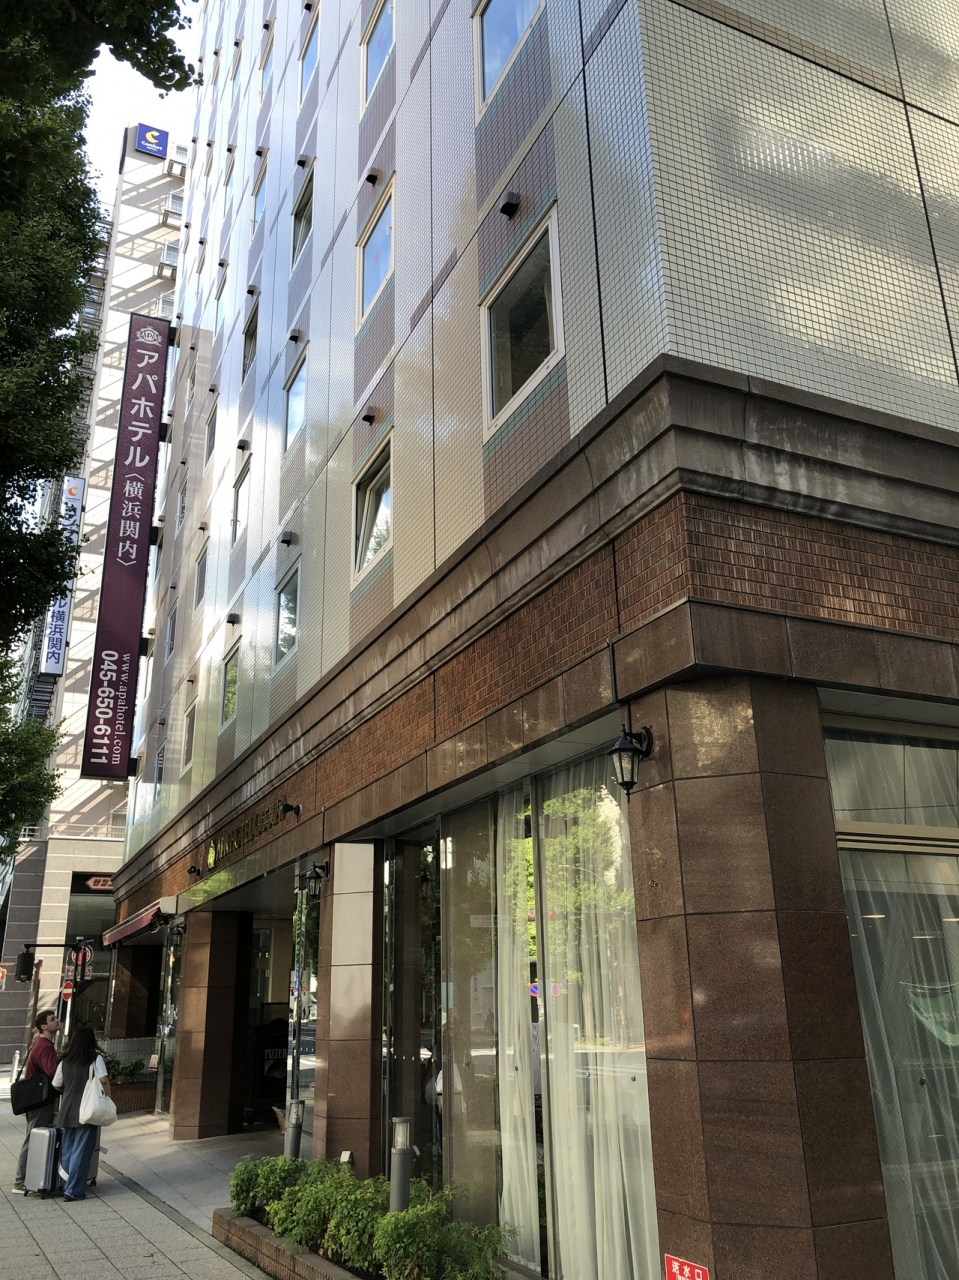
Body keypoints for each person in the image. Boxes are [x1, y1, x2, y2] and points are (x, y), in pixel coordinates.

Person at [52, 1025, 111, 1202]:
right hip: (87, 1111)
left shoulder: (65, 1061)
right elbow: (104, 1080)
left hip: (67, 1110)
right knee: (81, 1150)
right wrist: (108, 1098)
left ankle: (65, 1185)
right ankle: (74, 1190)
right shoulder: (95, 1059)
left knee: (67, 1150)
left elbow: (56, 1084)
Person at [12, 1009, 60, 1193]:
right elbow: (53, 1072)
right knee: (33, 1136)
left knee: (33, 1134)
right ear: (44, 1026)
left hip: (34, 1098)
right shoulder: (45, 1046)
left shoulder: (39, 1043)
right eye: (52, 1019)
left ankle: (26, 1177)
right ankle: (20, 1180)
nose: (57, 1021)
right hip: (40, 1099)